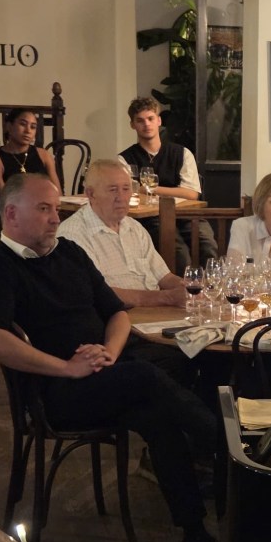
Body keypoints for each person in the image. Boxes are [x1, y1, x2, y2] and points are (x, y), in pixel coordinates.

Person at [0, 172, 224, 542]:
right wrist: (67, 367)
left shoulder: (69, 252)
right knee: (147, 375)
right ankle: (227, 449)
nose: (56, 218)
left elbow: (116, 313)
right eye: (44, 209)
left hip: (102, 376)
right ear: (11, 214)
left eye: (56, 209)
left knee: (159, 414)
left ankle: (195, 534)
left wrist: (109, 353)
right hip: (55, 394)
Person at [57, 159, 194, 389]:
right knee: (185, 358)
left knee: (210, 351)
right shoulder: (73, 236)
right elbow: (101, 295)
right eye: (113, 190)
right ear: (90, 194)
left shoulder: (134, 227)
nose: (122, 197)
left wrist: (189, 287)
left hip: (156, 321)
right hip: (116, 331)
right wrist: (167, 298)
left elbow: (164, 277)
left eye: (126, 188)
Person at [118, 96, 217, 274]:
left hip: (186, 214)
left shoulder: (182, 153)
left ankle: (212, 287)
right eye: (140, 120)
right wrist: (172, 191)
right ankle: (184, 289)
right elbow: (129, 192)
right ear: (132, 125)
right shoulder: (124, 159)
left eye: (150, 119)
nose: (146, 124)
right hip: (151, 217)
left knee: (207, 244)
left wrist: (150, 189)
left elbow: (192, 194)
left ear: (159, 121)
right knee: (179, 253)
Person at [0, 108, 61, 202]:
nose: (28, 131)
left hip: (46, 206)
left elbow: (58, 193)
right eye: (23, 124)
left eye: (33, 127)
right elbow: (4, 200)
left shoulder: (44, 155)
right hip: (15, 209)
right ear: (9, 126)